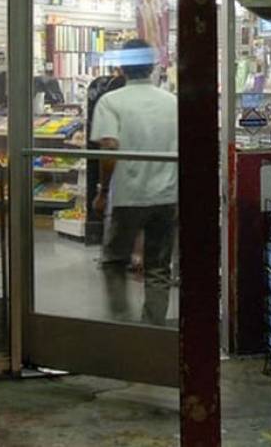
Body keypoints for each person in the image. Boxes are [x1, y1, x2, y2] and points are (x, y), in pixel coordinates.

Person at [91, 38, 178, 326]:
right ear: (152, 66)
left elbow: (109, 148)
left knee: (114, 260)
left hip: (128, 196)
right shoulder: (172, 102)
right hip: (166, 196)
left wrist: (103, 191)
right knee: (158, 267)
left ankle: (122, 325)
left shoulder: (111, 101)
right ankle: (153, 327)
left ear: (121, 67)